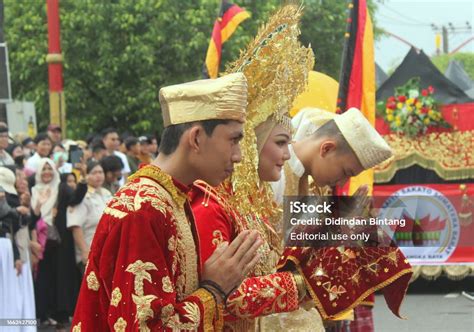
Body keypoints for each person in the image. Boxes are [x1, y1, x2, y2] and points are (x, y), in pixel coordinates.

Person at [72, 72, 264, 331]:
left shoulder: (172, 197)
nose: (239, 156)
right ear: (196, 138)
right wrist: (213, 290)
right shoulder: (144, 209)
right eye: (233, 140)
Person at [191, 5, 320, 331]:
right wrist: (302, 285)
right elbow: (224, 298)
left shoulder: (253, 203)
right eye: (279, 143)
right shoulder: (212, 205)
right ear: (250, 144)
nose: (289, 153)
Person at [274, 107, 413, 328]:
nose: (340, 183)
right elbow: (276, 247)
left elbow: (303, 244)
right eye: (346, 172)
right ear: (327, 148)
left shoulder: (312, 185)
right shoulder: (276, 174)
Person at [68, 161, 111, 274]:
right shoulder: (82, 196)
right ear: (86, 175)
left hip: (107, 250)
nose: (98, 175)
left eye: (100, 172)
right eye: (94, 173)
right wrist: (84, 250)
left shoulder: (106, 193)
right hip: (90, 249)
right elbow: (75, 226)